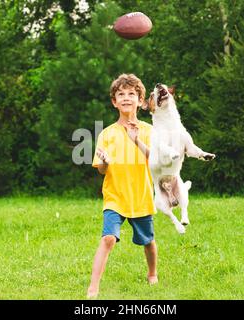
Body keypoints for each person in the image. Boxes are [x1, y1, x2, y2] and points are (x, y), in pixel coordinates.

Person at [87, 74, 158, 299]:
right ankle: (93, 287)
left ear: (140, 100)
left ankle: (152, 273)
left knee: (148, 242)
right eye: (121, 94)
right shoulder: (107, 133)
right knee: (108, 238)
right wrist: (105, 162)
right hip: (115, 196)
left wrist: (135, 139)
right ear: (114, 102)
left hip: (141, 196)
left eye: (131, 94)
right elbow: (101, 169)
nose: (126, 98)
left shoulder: (148, 130)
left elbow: (155, 159)